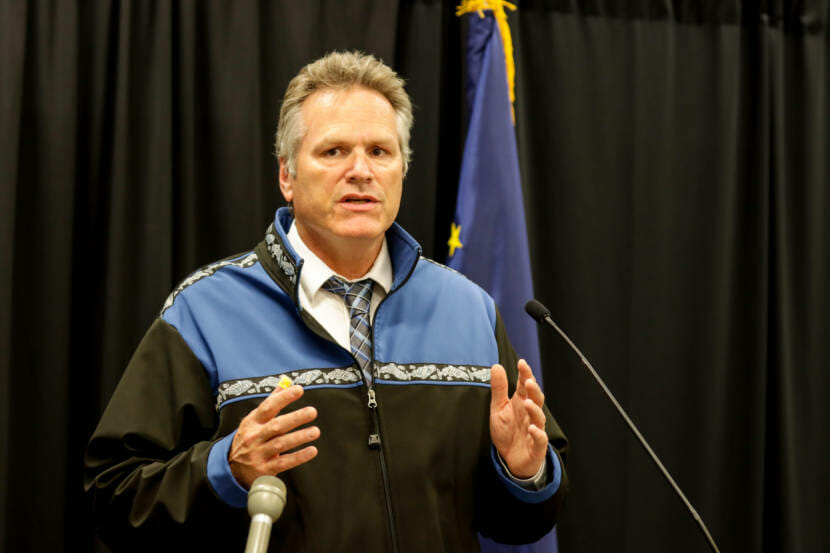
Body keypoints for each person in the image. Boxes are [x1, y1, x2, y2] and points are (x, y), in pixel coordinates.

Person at [85, 51, 568, 552]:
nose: (360, 171)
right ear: (287, 176)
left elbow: (520, 525)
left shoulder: (469, 310)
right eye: (334, 151)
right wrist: (225, 471)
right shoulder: (203, 312)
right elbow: (115, 496)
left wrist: (522, 472)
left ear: (403, 169)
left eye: (380, 151)